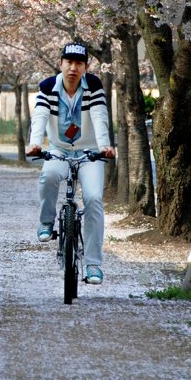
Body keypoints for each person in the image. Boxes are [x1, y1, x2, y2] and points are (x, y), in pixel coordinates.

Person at [27, 42, 115, 285]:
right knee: (48, 177)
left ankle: (94, 263)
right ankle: (46, 221)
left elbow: (99, 116)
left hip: (90, 152)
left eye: (79, 63)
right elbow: (41, 117)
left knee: (94, 199)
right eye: (69, 62)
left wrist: (105, 145)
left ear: (86, 67)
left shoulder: (93, 86)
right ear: (61, 64)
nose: (73, 68)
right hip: (59, 148)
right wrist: (36, 143)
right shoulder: (47, 87)